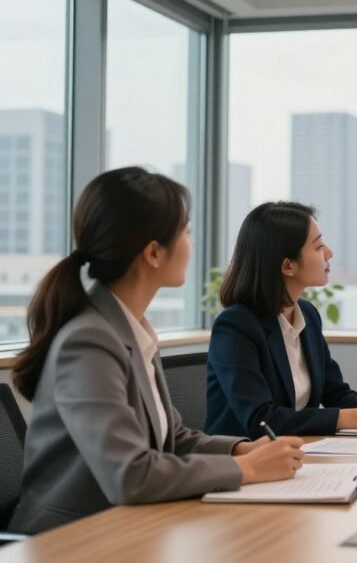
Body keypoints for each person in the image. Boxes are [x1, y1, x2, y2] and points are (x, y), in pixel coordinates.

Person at [9, 167, 303, 535]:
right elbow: (130, 474)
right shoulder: (89, 341)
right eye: (186, 232)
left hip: (125, 527)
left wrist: (244, 450)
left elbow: (173, 439)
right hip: (70, 540)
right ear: (153, 253)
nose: (191, 244)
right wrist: (248, 470)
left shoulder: (129, 328)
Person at [205, 201, 357, 439]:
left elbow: (335, 393)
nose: (329, 253)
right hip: (246, 462)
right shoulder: (236, 326)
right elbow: (261, 419)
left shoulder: (307, 314)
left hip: (300, 452)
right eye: (318, 246)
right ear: (288, 265)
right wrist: (351, 418)